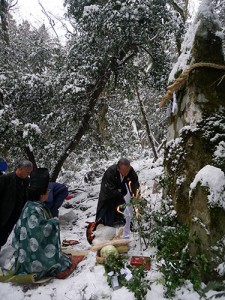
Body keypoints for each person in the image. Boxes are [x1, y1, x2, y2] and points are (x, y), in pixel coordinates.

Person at [11, 168, 84, 280]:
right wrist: (54, 222)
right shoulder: (35, 209)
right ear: (41, 193)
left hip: (24, 257)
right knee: (63, 263)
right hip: (34, 262)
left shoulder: (29, 205)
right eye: (47, 191)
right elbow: (41, 233)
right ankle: (48, 266)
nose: (49, 193)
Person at [95, 158, 140, 227]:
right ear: (118, 168)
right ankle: (102, 225)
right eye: (124, 171)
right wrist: (121, 196)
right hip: (108, 193)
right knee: (106, 210)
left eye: (127, 171)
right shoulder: (110, 172)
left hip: (121, 190)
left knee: (122, 205)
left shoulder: (130, 171)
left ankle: (120, 220)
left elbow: (135, 183)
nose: (126, 173)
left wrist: (136, 194)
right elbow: (110, 190)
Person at [0, 160, 33, 248]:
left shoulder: (27, 181)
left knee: (4, 237)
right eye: (27, 172)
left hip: (16, 214)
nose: (28, 174)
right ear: (20, 169)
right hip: (3, 214)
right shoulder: (6, 179)